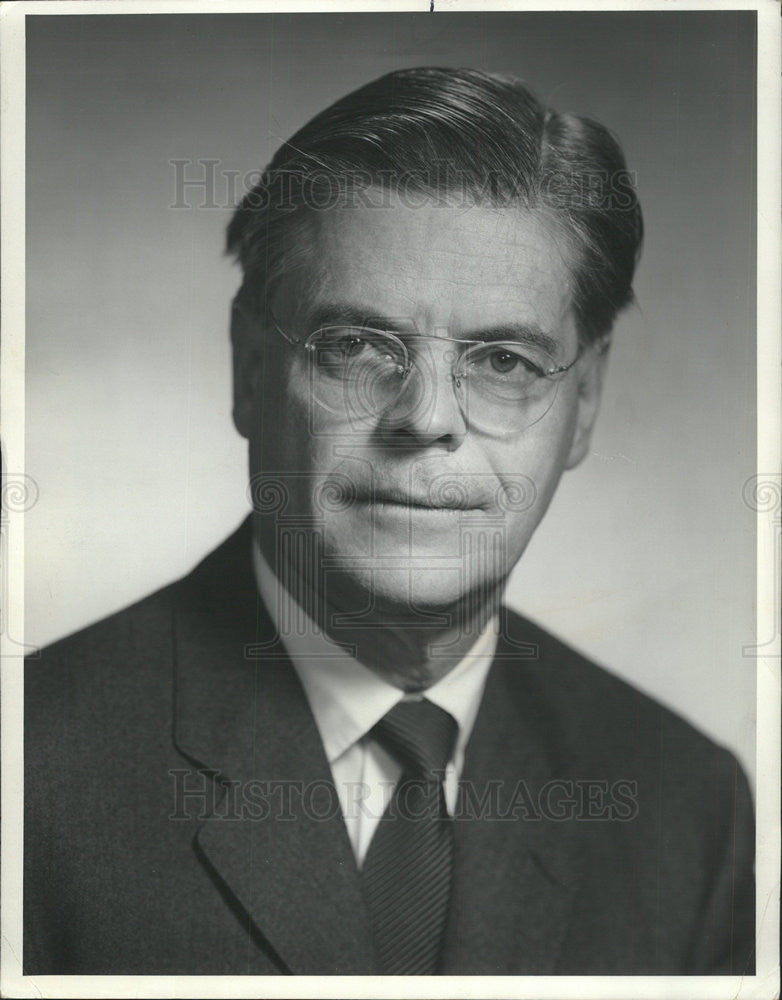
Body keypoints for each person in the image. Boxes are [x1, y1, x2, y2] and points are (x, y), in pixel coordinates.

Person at [24, 67, 754, 976]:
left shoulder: (687, 810)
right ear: (250, 369)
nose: (427, 418)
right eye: (357, 347)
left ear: (587, 402)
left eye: (504, 360)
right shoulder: (32, 771)